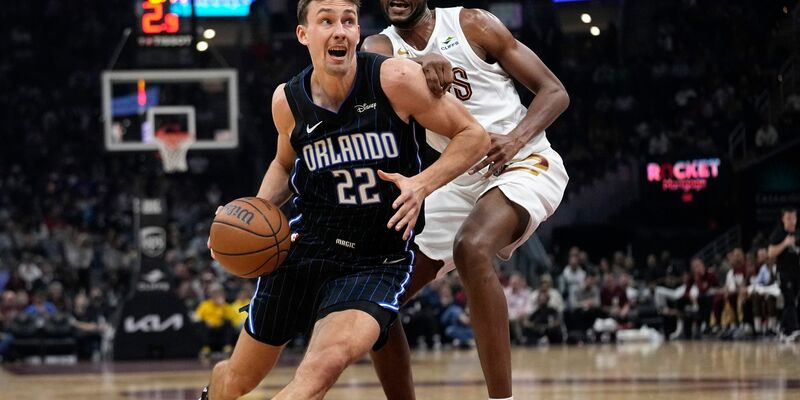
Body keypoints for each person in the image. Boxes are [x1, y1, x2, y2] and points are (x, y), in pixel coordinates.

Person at [200, 1, 489, 399]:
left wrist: (422, 183)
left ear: (356, 32)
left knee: (322, 366)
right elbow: (284, 165)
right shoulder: (288, 101)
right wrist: (246, 215)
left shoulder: (394, 79)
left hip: (374, 260)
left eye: (348, 21)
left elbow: (474, 135)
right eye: (327, 21)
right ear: (304, 34)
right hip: (305, 249)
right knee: (235, 379)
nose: (340, 30)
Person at [362, 1, 569, 398]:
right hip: (457, 179)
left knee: (471, 248)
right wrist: (417, 67)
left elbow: (555, 91)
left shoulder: (472, 24)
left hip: (525, 161)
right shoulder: (380, 46)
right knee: (374, 298)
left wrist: (516, 138)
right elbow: (378, 74)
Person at [768, 207, 799, 340]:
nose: (791, 221)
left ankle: (782, 328)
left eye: (793, 217)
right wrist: (785, 244)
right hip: (784, 272)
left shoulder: (797, 233)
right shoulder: (778, 233)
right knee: (789, 299)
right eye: (788, 218)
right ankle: (793, 329)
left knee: (792, 301)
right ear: (783, 219)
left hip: (797, 272)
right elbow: (770, 253)